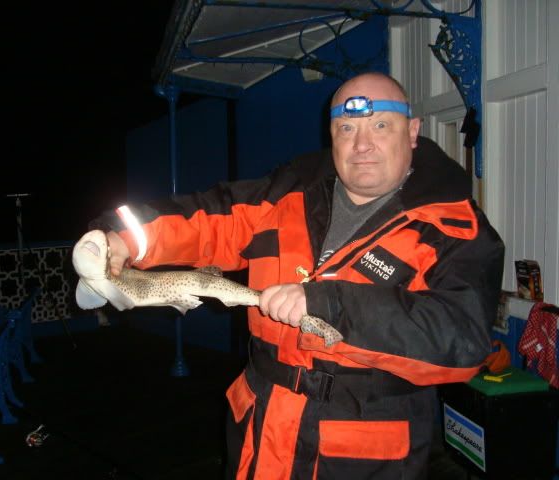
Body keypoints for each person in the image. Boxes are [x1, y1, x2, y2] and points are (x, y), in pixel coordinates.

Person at [87, 72, 505, 479]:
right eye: (346, 127)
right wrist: (125, 238)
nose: (362, 144)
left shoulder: (456, 227)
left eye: (380, 125)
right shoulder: (288, 191)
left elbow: (461, 340)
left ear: (412, 131)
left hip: (362, 450)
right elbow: (211, 217)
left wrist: (330, 304)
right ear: (331, 135)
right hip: (262, 428)